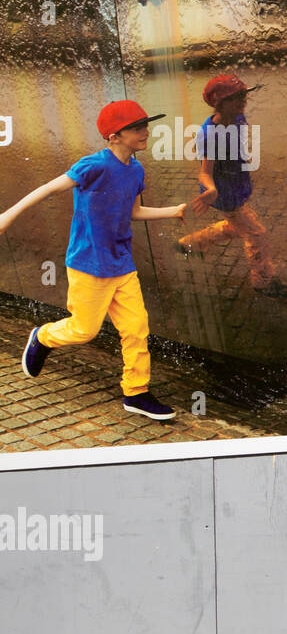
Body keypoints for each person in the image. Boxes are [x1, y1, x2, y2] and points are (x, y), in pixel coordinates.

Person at [0, 100, 186, 420]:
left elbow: (134, 212)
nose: (145, 131)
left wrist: (175, 210)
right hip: (89, 263)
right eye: (136, 127)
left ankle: (135, 392)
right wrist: (8, 215)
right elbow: (47, 188)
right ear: (114, 136)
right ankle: (42, 337)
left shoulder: (136, 169)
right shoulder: (93, 166)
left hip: (121, 262)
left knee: (136, 327)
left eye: (145, 124)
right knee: (84, 330)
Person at [176, 74, 287, 298]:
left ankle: (189, 243)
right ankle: (263, 282)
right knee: (256, 234)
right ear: (220, 103)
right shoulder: (210, 135)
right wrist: (211, 189)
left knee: (234, 226)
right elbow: (204, 172)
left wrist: (242, 161)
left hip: (236, 185)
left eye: (243, 95)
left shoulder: (237, 118)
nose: (244, 101)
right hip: (223, 193)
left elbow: (237, 147)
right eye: (237, 98)